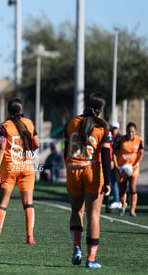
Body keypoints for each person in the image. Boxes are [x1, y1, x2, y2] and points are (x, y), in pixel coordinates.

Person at [64, 92, 111, 269]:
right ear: (100, 110)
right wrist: (107, 182)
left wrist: (69, 167)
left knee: (76, 211)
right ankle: (91, 259)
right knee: (93, 215)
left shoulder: (71, 122)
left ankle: (76, 248)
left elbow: (65, 150)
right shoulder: (102, 128)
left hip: (73, 170)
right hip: (92, 171)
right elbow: (105, 156)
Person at [0, 98, 39, 245]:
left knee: (2, 203)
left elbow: (1, 148)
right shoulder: (29, 123)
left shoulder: (5, 126)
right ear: (21, 110)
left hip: (10, 167)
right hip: (26, 167)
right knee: (28, 204)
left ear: (8, 111)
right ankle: (30, 237)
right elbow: (36, 144)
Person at [113, 122, 144, 217]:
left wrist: (137, 164)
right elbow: (114, 153)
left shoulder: (139, 140)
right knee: (122, 189)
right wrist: (116, 166)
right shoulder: (120, 140)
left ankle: (132, 210)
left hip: (133, 168)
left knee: (133, 188)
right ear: (126, 132)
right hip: (121, 168)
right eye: (129, 132)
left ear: (135, 132)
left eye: (132, 132)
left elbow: (141, 153)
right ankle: (123, 205)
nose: (131, 134)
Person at [104, 121, 122, 213]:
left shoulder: (120, 138)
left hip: (119, 163)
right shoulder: (108, 136)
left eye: (115, 128)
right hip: (111, 162)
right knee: (112, 180)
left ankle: (120, 200)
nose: (114, 130)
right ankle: (116, 199)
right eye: (112, 128)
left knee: (121, 182)